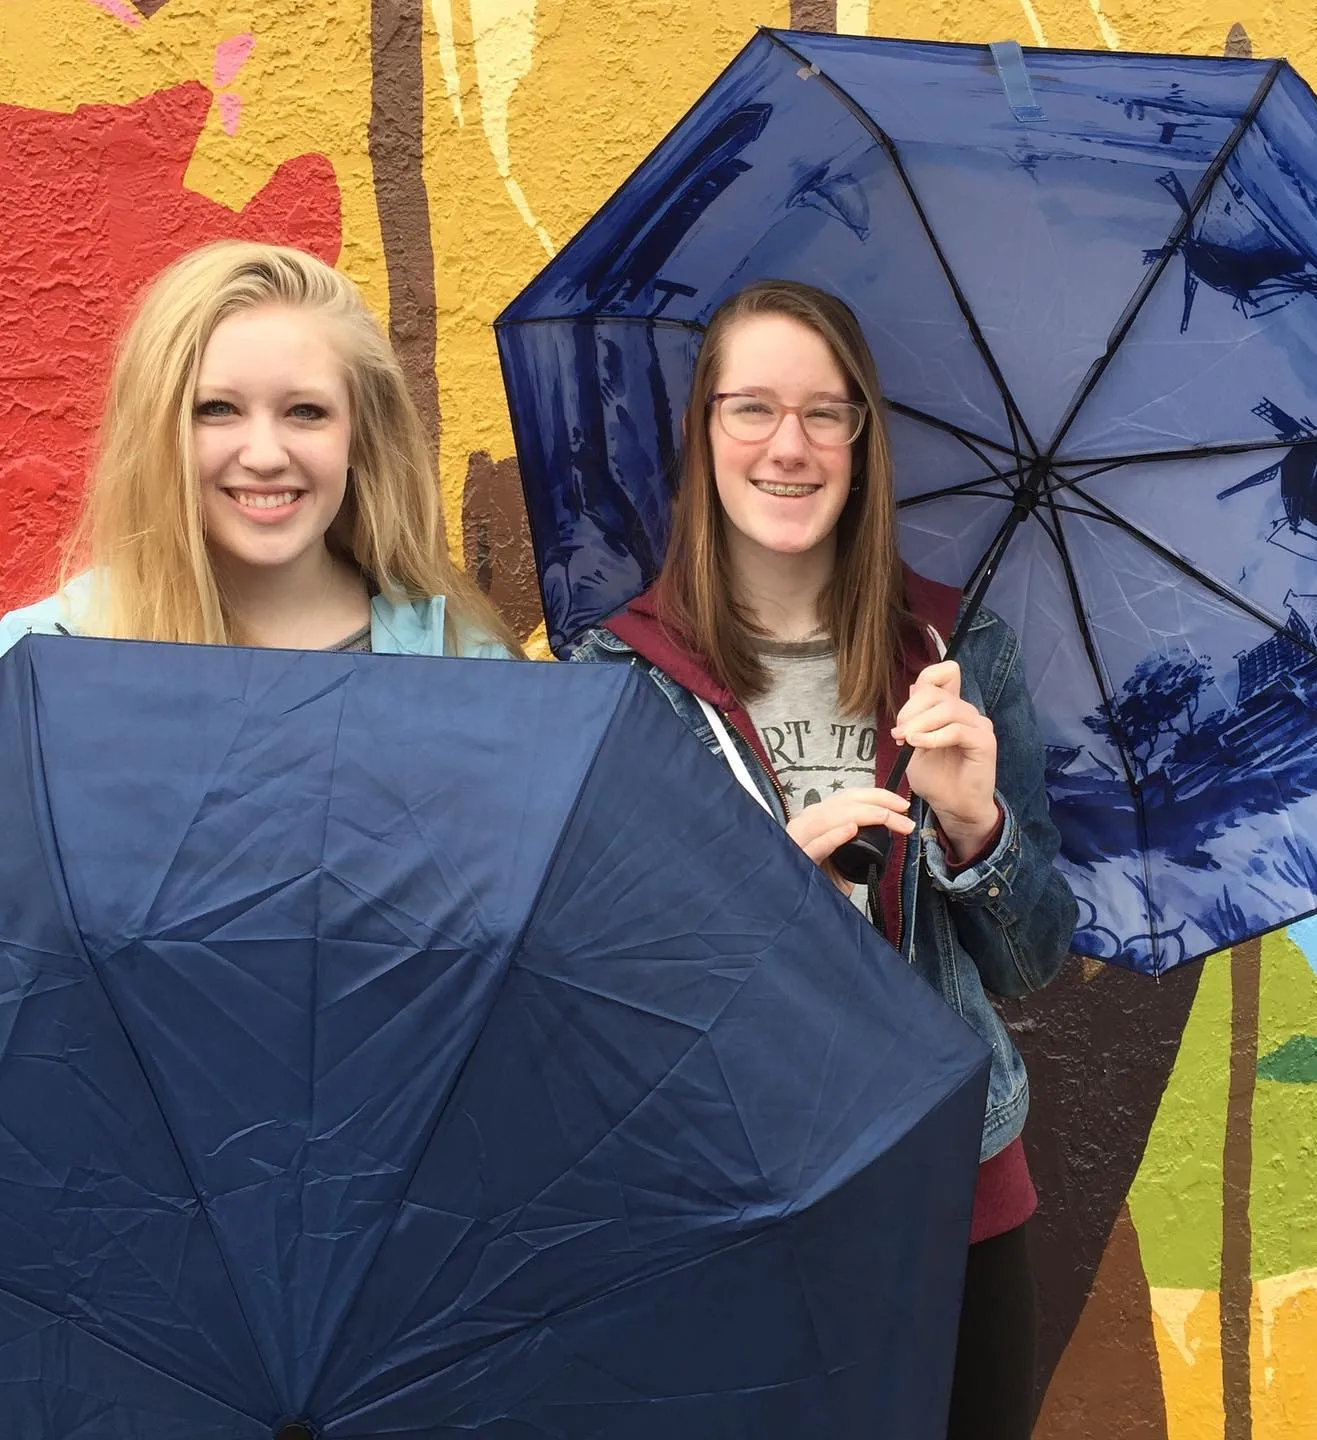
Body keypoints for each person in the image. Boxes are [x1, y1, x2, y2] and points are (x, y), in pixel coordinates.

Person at [570, 279, 1076, 1438]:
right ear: (703, 436)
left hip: (955, 1189)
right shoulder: (622, 681)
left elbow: (1035, 958)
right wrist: (761, 897)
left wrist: (976, 828)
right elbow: (594, 988)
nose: (787, 447)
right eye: (751, 409)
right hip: (727, 1196)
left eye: (824, 414)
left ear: (861, 441)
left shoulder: (956, 652)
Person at [0, 240, 516, 660]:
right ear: (157, 430)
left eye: (305, 412)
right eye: (218, 409)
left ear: (360, 436)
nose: (265, 457)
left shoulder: (463, 662)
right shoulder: (40, 660)